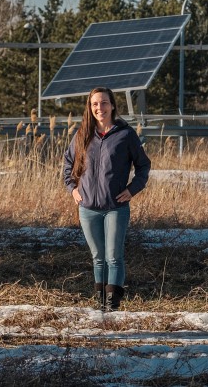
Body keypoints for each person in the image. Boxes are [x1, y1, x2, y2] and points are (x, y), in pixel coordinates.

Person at [63, 87, 151, 312]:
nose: (99, 108)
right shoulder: (83, 133)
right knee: (98, 257)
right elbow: (67, 164)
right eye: (94, 104)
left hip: (116, 207)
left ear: (112, 105)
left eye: (103, 103)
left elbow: (143, 165)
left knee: (113, 256)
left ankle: (113, 306)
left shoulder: (125, 134)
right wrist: (73, 189)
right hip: (88, 208)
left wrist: (132, 190)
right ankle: (100, 303)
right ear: (89, 108)